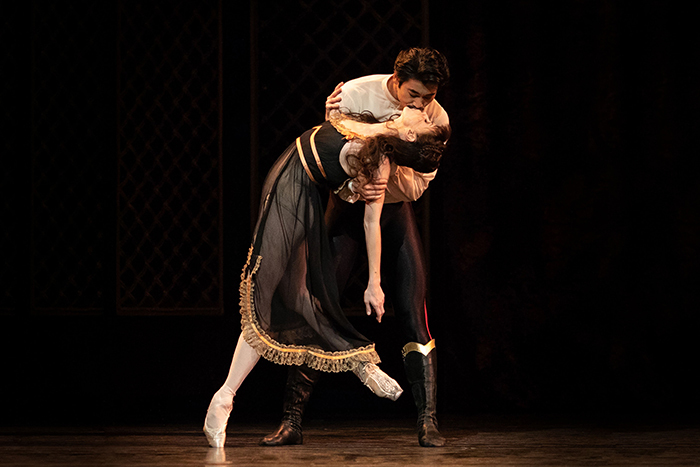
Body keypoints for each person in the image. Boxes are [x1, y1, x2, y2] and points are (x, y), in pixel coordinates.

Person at [203, 107, 451, 448]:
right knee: (290, 298)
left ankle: (226, 396)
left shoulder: (380, 162)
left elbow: (370, 224)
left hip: (292, 192)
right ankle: (359, 366)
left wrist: (374, 283)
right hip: (291, 179)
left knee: (271, 294)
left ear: (409, 135)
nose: (422, 112)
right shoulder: (377, 121)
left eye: (424, 121)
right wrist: (333, 110)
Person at [260, 47, 451, 448]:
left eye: (428, 98)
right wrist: (355, 179)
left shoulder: (437, 122)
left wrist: (384, 175)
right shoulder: (355, 94)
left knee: (414, 309)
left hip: (393, 210)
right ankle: (291, 419)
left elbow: (419, 183)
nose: (420, 105)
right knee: (316, 305)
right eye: (413, 95)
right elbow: (330, 150)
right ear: (396, 79)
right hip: (348, 208)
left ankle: (428, 420)